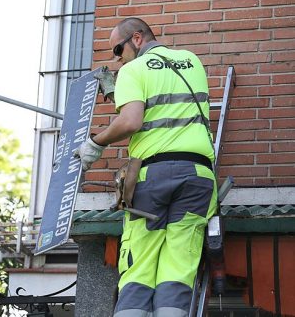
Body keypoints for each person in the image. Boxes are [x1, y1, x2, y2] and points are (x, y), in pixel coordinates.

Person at [74, 17, 218, 317]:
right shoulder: (191, 61)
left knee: (139, 267)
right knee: (177, 269)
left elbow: (131, 121)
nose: (117, 59)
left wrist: (94, 144)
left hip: (155, 178)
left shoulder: (133, 70)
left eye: (118, 49)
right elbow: (168, 106)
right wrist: (119, 93)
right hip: (199, 179)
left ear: (136, 39)